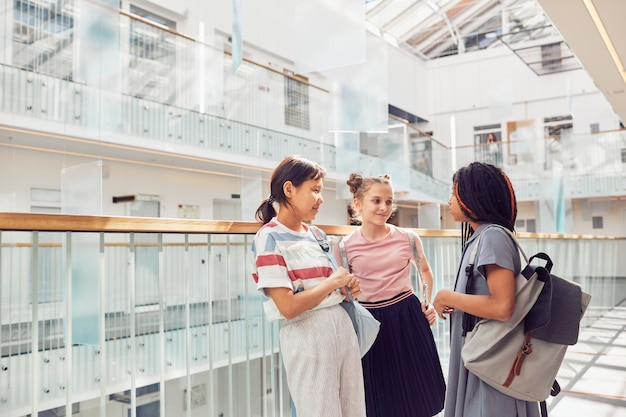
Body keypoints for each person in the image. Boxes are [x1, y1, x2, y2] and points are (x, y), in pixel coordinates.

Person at [252, 155, 366, 417]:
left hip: (341, 329)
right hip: (307, 336)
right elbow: (288, 306)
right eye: (315, 190)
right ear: (289, 189)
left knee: (355, 411)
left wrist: (346, 289)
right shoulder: (268, 237)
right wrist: (331, 283)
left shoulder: (317, 235)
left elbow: (330, 289)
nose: (320, 198)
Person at [432, 162, 540, 417]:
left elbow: (503, 307)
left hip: (490, 363)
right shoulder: (483, 237)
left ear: (473, 197)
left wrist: (448, 296)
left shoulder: (492, 237)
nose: (449, 201)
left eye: (453, 192)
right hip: (485, 357)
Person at [334, 173, 446, 417]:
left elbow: (425, 271)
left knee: (417, 395)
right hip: (369, 322)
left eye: (389, 201)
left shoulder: (408, 238)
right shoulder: (344, 247)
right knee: (378, 399)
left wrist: (427, 305)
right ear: (358, 204)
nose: (384, 207)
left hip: (407, 316)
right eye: (376, 201)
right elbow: (342, 291)